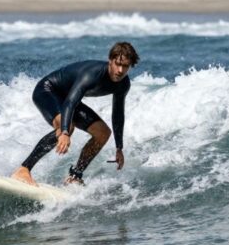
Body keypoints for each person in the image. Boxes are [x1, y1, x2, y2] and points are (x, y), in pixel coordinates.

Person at [12, 42, 139, 186]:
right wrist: (65, 132)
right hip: (47, 91)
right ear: (110, 60)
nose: (120, 70)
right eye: (118, 64)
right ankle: (24, 169)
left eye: (126, 66)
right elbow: (70, 104)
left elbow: (118, 114)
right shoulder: (92, 75)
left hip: (66, 97)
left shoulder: (123, 84)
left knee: (103, 133)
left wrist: (119, 148)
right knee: (67, 126)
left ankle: (75, 176)